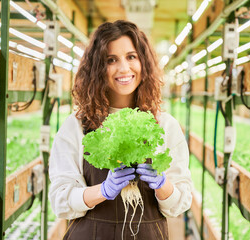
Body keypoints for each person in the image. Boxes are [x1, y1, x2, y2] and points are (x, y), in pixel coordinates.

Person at [49, 20, 192, 239]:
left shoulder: (165, 125)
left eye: (131, 57)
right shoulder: (76, 125)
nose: (124, 68)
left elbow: (179, 204)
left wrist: (163, 185)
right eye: (111, 60)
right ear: (97, 68)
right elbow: (60, 201)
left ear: (143, 62)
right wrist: (102, 191)